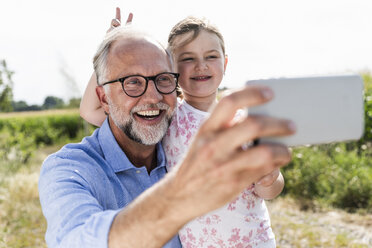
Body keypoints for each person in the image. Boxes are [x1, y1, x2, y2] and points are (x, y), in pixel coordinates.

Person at [39, 18, 295, 248]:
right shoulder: (170, 121)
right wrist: (113, 50)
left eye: (161, 79)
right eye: (133, 82)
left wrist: (269, 179)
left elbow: (269, 187)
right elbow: (92, 109)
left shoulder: (239, 122)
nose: (152, 97)